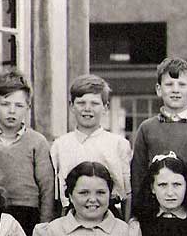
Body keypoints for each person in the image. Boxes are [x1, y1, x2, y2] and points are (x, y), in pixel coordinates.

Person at [130, 57, 187, 217]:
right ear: (159, 89)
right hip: (157, 211)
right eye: (169, 85)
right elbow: (138, 178)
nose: (175, 90)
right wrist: (138, 215)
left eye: (182, 85)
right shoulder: (147, 128)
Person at [0, 70, 56, 236]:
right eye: (5, 104)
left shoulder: (37, 142)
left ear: (28, 107)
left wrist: (44, 225)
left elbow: (47, 187)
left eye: (19, 106)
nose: (12, 111)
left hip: (27, 214)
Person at [50, 74, 132, 217]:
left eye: (94, 103)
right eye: (81, 103)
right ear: (71, 106)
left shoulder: (119, 144)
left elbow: (127, 194)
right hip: (71, 216)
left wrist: (127, 226)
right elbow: (56, 195)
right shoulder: (60, 145)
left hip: (109, 216)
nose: (87, 109)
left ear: (105, 108)